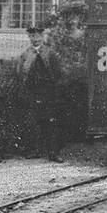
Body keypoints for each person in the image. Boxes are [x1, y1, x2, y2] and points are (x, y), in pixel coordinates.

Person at [17, 24, 63, 162]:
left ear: (42, 37)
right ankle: (34, 150)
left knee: (50, 122)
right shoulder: (25, 55)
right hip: (32, 93)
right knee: (32, 122)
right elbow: (20, 73)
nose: (35, 39)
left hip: (48, 94)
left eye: (37, 36)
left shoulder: (50, 53)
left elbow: (57, 73)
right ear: (29, 37)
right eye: (32, 36)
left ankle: (53, 153)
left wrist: (52, 91)